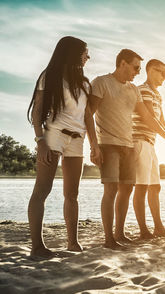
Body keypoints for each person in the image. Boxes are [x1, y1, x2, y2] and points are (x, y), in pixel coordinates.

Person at [88, 49, 165, 249]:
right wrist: (94, 145)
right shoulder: (101, 83)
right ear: (122, 63)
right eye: (136, 67)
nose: (137, 72)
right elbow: (88, 114)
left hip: (128, 144)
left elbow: (147, 116)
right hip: (109, 143)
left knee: (126, 189)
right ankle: (109, 238)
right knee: (111, 190)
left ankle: (120, 233)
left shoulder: (133, 90)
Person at [27, 36, 101, 258]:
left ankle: (72, 242)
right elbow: (37, 112)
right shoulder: (49, 76)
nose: (88, 56)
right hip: (53, 136)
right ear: (72, 53)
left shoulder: (85, 83)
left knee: (72, 193)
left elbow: (88, 116)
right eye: (85, 52)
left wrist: (95, 145)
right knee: (42, 189)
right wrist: (40, 142)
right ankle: (37, 247)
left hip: (77, 139)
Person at [132, 59, 165, 239]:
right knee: (141, 187)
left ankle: (158, 227)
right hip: (139, 141)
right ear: (150, 70)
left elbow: (161, 121)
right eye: (161, 72)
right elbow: (148, 119)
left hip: (151, 144)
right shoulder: (142, 90)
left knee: (155, 186)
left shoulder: (157, 95)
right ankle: (143, 230)